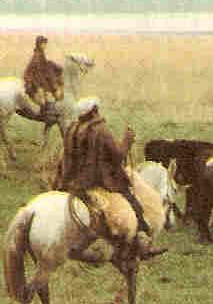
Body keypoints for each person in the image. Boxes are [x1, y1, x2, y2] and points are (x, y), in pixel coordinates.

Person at [54, 97, 165, 258]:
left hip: (72, 179)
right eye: (97, 108)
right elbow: (118, 155)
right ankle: (141, 239)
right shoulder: (101, 130)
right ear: (94, 111)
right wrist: (127, 140)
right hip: (97, 180)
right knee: (133, 201)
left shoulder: (72, 128)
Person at [23, 35, 63, 115]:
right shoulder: (37, 55)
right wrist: (41, 84)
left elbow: (45, 64)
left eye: (45, 44)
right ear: (39, 44)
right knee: (43, 93)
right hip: (35, 78)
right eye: (43, 44)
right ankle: (44, 112)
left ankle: (50, 108)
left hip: (40, 76)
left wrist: (53, 65)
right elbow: (37, 71)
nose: (45, 45)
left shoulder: (41, 53)